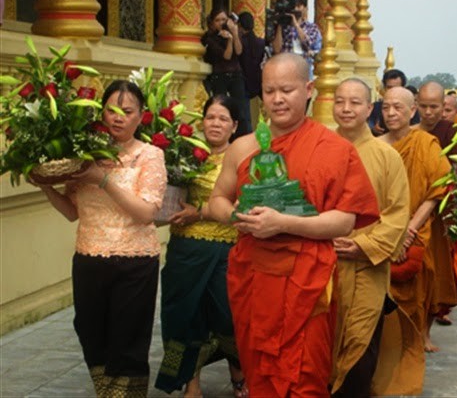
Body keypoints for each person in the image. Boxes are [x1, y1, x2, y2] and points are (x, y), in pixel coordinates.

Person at [207, 53, 380, 397]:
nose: (277, 99)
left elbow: (345, 221)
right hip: (253, 277)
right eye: (269, 91)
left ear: (309, 89)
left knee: (305, 376)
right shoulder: (243, 147)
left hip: (307, 279)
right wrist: (235, 217)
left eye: (287, 89)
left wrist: (283, 223)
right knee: (259, 373)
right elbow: (216, 201)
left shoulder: (333, 148)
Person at [36, 80, 167, 396]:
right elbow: (71, 211)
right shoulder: (84, 155)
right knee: (90, 333)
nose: (118, 117)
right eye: (112, 110)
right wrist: (45, 186)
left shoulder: (150, 155)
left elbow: (147, 213)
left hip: (135, 262)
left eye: (128, 111)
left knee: (127, 340)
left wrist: (104, 179)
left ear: (141, 117)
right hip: (89, 259)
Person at [155, 95, 247, 398]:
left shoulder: (245, 156)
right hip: (186, 250)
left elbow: (245, 204)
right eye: (210, 117)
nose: (215, 124)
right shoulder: (185, 153)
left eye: (223, 119)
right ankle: (189, 383)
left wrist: (203, 211)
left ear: (234, 125)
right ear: (202, 122)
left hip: (227, 251)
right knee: (181, 316)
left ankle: (239, 371)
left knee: (229, 317)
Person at [329, 78, 410, 397]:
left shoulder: (386, 156)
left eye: (354, 102)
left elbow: (398, 213)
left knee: (359, 356)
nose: (346, 108)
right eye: (339, 101)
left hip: (366, 269)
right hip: (323, 267)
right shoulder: (320, 149)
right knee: (321, 351)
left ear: (369, 108)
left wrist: (363, 245)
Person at [379, 86, 451, 355]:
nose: (391, 113)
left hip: (418, 226)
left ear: (412, 111)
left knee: (421, 283)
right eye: (386, 107)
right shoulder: (375, 146)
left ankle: (419, 335)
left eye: (398, 107)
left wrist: (410, 228)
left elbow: (437, 190)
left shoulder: (424, 143)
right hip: (384, 230)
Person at [414, 81, 457, 346]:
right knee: (414, 275)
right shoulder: (408, 133)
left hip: (440, 214)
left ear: (444, 106)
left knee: (435, 274)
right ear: (416, 105)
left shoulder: (452, 133)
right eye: (424, 106)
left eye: (434, 107)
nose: (429, 113)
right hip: (410, 213)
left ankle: (426, 332)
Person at [202, 7, 251, 138]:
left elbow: (239, 51)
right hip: (219, 76)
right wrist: (229, 40)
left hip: (236, 75)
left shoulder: (236, 32)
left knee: (241, 111)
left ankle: (242, 139)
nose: (221, 22)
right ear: (212, 23)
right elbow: (227, 56)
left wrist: (234, 33)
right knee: (222, 108)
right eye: (217, 20)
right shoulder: (210, 38)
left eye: (224, 19)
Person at [272, 0, 321, 79]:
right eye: (294, 6)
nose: (296, 9)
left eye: (299, 6)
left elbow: (308, 44)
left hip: (303, 66)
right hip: (286, 67)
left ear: (305, 8)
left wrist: (296, 25)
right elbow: (276, 49)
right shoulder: (284, 27)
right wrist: (280, 24)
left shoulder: (311, 27)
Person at [368, 69, 420, 136]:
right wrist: (374, 130)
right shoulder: (376, 107)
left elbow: (416, 129)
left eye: (396, 87)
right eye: (389, 87)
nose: (392, 90)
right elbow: (369, 128)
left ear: (403, 88)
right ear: (384, 88)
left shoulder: (410, 108)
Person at [237, 11, 265, 130]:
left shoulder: (241, 42)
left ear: (239, 25)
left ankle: (247, 135)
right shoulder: (260, 42)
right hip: (258, 79)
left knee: (245, 115)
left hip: (245, 80)